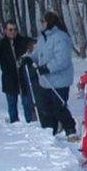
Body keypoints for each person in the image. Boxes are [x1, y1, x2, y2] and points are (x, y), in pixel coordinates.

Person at [25, 11, 78, 141]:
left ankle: (70, 129)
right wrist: (30, 59)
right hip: (45, 81)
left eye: (43, 21)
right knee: (46, 108)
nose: (41, 24)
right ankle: (50, 131)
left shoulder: (60, 37)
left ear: (49, 22)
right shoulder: (42, 38)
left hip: (59, 81)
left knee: (59, 107)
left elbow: (62, 59)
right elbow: (39, 54)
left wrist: (47, 68)